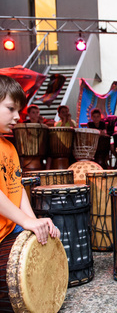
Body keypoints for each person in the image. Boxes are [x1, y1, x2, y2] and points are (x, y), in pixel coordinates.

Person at [0, 75, 59, 245]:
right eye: (11, 109)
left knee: (51, 242)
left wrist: (34, 222)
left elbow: (16, 187)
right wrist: (26, 222)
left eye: (19, 110)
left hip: (10, 227)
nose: (18, 116)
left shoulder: (9, 147)